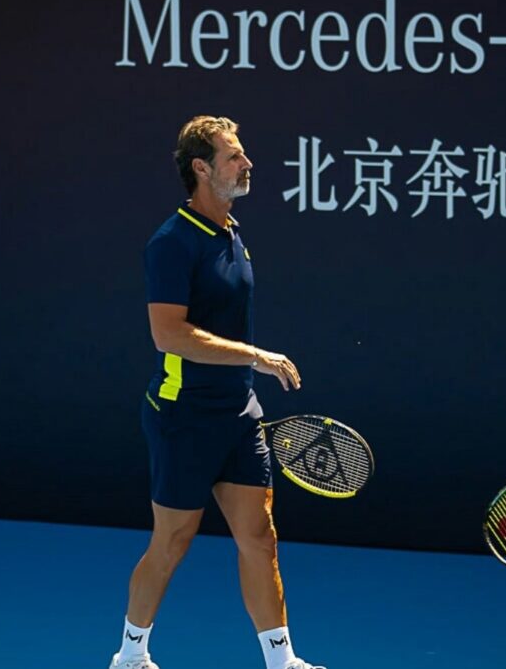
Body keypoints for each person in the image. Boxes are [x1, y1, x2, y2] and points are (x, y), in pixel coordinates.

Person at [109, 116, 323, 669]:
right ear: (201, 168)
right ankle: (130, 656)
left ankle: (281, 662)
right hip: (183, 417)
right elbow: (169, 335)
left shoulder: (231, 232)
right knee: (173, 541)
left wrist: (246, 374)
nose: (247, 164)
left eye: (242, 154)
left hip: (238, 413)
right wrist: (256, 355)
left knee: (260, 536)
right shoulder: (172, 244)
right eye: (233, 157)